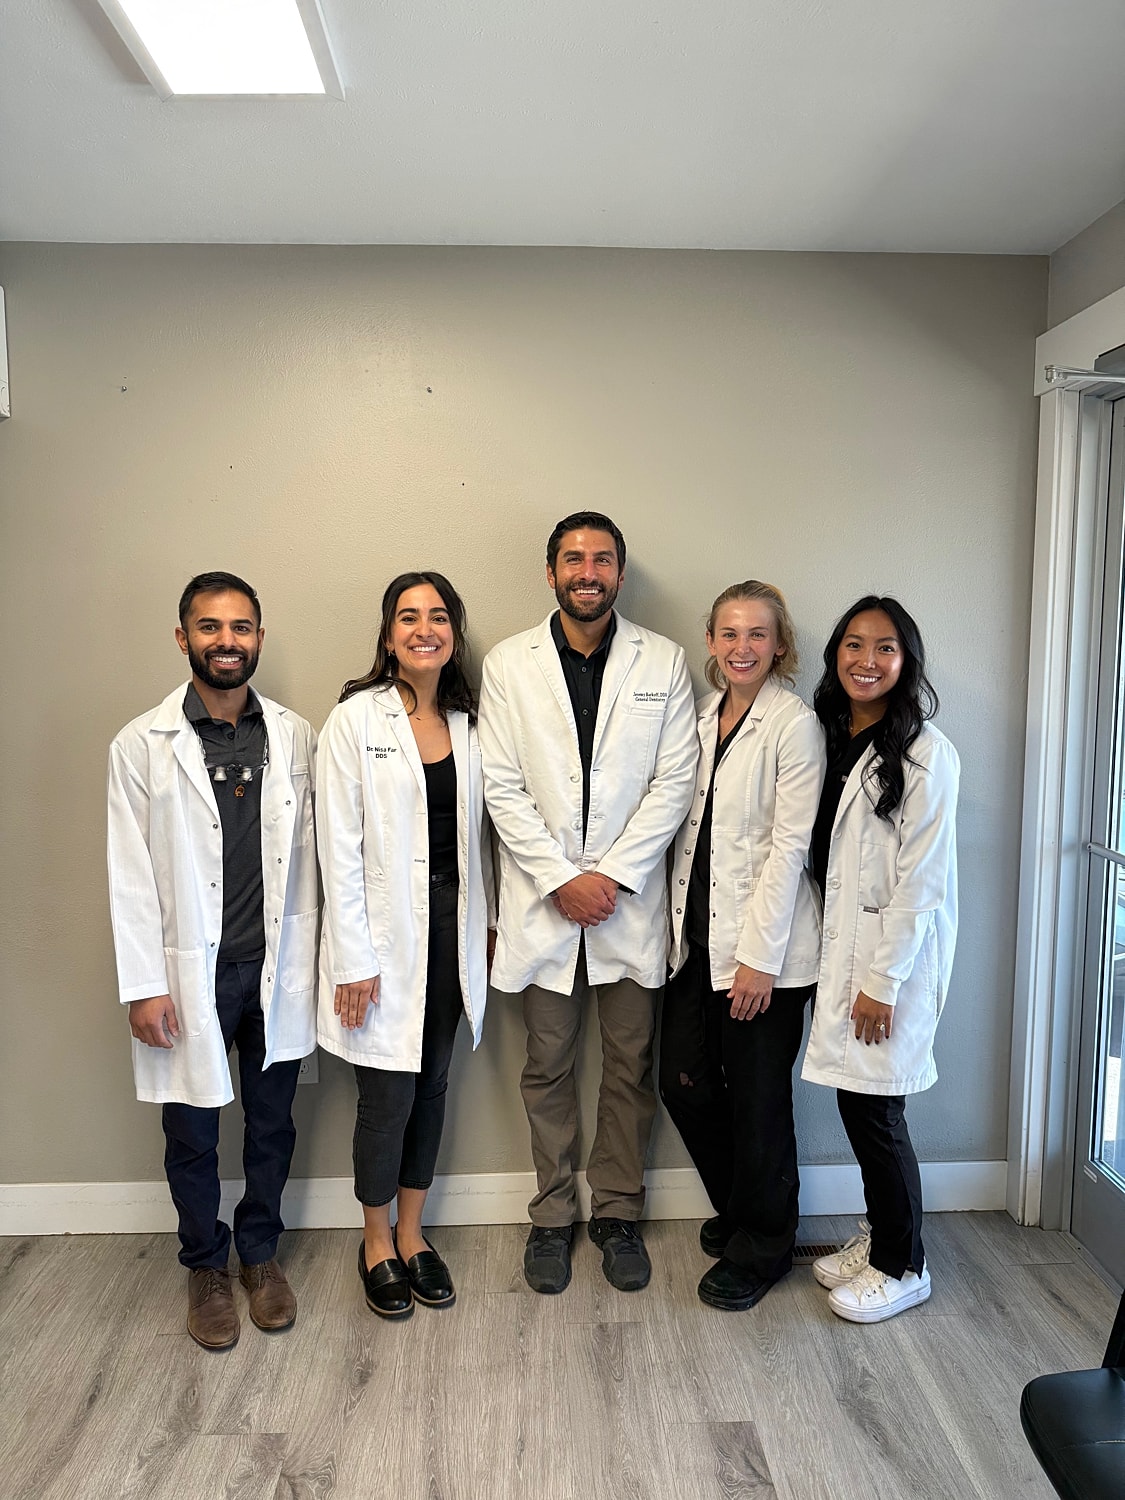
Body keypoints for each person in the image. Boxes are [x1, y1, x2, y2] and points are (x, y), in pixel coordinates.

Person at [478, 511, 698, 1295]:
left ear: (619, 574)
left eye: (602, 560)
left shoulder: (663, 661)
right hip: (545, 906)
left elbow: (675, 781)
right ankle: (550, 1216)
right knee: (546, 1067)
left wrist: (610, 874)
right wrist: (558, 877)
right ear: (550, 573)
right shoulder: (510, 663)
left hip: (625, 906)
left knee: (629, 1069)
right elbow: (498, 783)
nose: (587, 572)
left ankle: (615, 1212)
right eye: (573, 559)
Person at [107, 571, 318, 1350]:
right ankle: (206, 1265)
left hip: (276, 965)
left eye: (241, 627)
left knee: (271, 1125)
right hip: (190, 974)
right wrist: (143, 985)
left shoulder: (295, 735)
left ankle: (259, 1255)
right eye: (209, 627)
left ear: (259, 636)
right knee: (192, 1129)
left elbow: (316, 860)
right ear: (183, 637)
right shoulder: (142, 744)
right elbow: (128, 871)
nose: (226, 641)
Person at [316, 572, 492, 1319]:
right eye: (408, 617)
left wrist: (486, 924)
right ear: (388, 637)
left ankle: (415, 1232)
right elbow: (338, 847)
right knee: (383, 1096)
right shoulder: (355, 721)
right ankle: (376, 1239)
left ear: (453, 631)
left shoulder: (472, 722)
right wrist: (354, 958)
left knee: (432, 1084)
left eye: (439, 616)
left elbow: (486, 836)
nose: (425, 628)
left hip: (455, 928)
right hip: (384, 937)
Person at [662, 581, 825, 1310]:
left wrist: (758, 959)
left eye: (756, 635)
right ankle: (740, 1204)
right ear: (710, 643)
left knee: (758, 1102)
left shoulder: (793, 726)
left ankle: (763, 1245)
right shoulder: (698, 719)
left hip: (766, 955)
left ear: (779, 646)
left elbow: (787, 849)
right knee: (682, 1081)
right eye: (728, 634)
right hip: (696, 944)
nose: (741, 647)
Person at [802, 595, 959, 1323]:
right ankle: (880, 1232)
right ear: (836, 653)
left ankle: (904, 1265)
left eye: (885, 647)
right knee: (855, 1103)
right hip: (841, 954)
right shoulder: (834, 736)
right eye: (854, 645)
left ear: (906, 661)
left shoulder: (927, 753)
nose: (867, 660)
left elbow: (919, 888)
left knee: (877, 1112)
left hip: (884, 967)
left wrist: (881, 982)